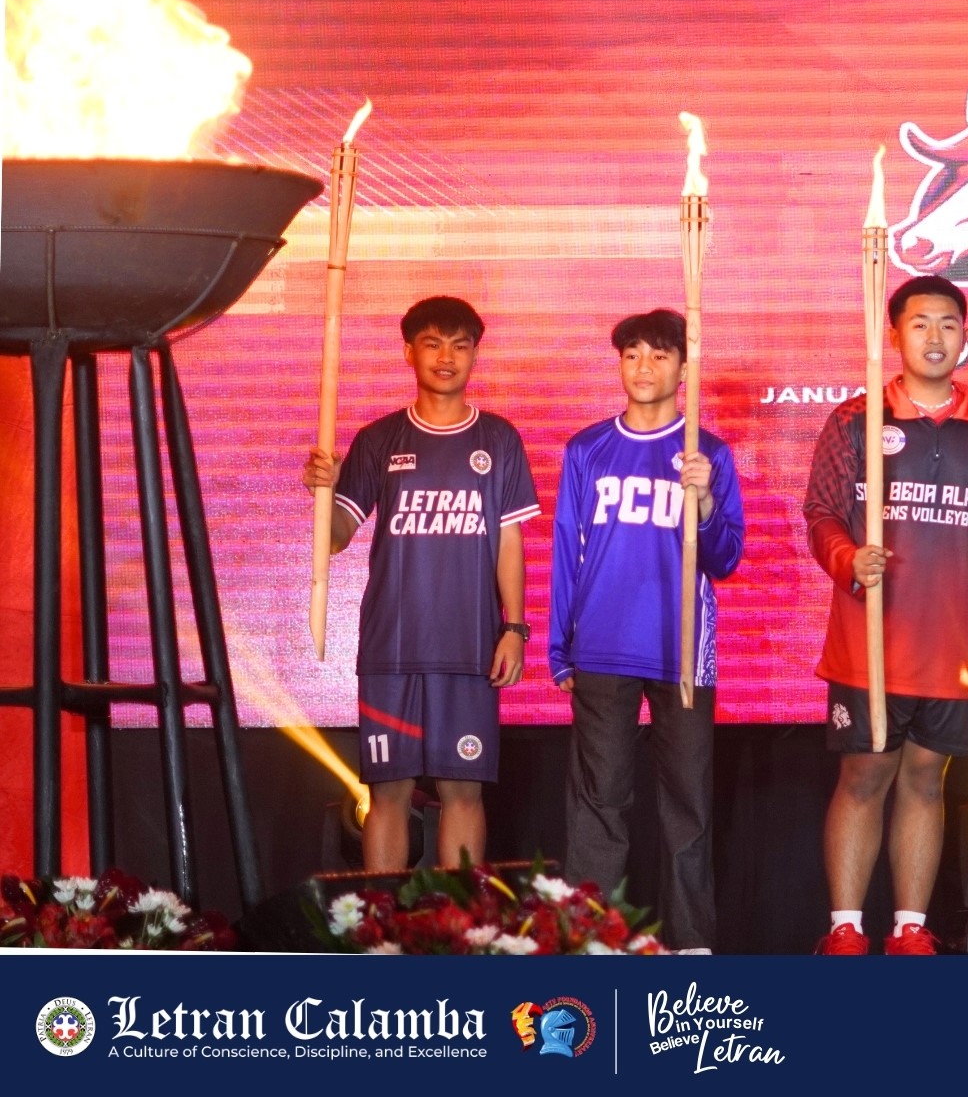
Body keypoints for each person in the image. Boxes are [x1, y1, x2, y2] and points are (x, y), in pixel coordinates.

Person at [803, 275, 968, 955]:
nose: (935, 336)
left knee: (928, 780)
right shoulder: (857, 419)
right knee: (864, 776)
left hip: (953, 649)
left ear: (965, 337)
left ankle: (909, 928)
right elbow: (821, 513)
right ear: (895, 335)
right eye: (921, 323)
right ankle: (845, 928)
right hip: (868, 646)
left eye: (949, 324)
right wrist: (848, 558)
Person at [304, 296, 539, 872]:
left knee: (464, 792)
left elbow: (509, 542)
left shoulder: (499, 439)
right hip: (392, 648)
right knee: (388, 794)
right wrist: (322, 492)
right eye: (433, 344)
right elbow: (334, 538)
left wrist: (513, 629)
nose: (446, 357)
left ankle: (459, 920)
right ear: (409, 351)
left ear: (475, 354)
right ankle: (388, 924)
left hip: (469, 647)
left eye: (460, 345)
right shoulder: (379, 439)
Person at [550, 309, 746, 953]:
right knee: (599, 802)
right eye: (632, 354)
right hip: (602, 645)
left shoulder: (708, 454)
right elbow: (567, 549)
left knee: (687, 804)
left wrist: (706, 501)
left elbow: (726, 558)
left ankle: (690, 942)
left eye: (660, 355)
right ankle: (592, 940)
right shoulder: (587, 449)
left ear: (684, 369)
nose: (644, 367)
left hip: (682, 650)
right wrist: (559, 647)